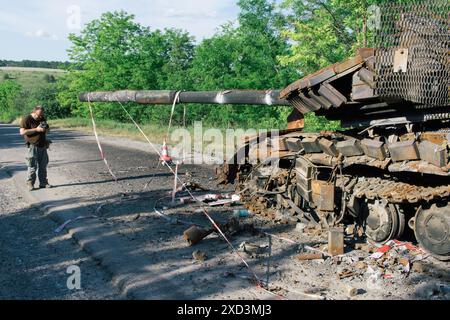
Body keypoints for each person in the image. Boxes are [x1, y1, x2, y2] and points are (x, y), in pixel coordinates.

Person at [19, 105, 52, 191]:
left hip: (42, 145)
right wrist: (36, 130)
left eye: (42, 114)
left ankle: (43, 182)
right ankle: (30, 183)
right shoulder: (26, 119)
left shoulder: (42, 118)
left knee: (43, 165)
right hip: (32, 146)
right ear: (34, 112)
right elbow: (22, 132)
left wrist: (46, 130)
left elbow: (47, 130)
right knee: (32, 166)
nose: (41, 116)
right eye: (39, 114)